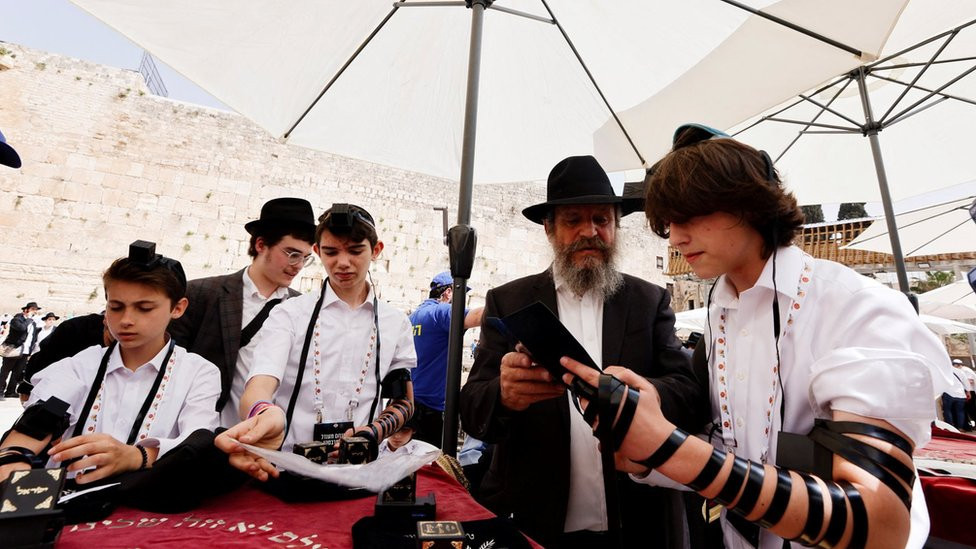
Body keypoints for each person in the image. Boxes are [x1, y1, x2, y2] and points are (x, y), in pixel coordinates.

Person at [560, 124, 956, 549]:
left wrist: (669, 448)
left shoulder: (860, 309)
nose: (675, 237)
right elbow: (734, 451)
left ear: (749, 204)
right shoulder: (721, 315)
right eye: (669, 223)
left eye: (690, 215)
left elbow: (879, 524)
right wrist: (644, 454)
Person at [459, 155, 703, 549]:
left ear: (615, 227)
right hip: (535, 520)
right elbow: (472, 409)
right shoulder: (509, 301)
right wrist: (503, 394)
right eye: (573, 220)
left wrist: (644, 397)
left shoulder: (648, 300)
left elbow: (688, 395)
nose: (589, 232)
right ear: (550, 229)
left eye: (601, 220)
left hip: (636, 520)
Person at [215, 203, 417, 481]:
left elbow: (403, 401)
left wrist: (373, 432)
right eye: (331, 252)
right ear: (317, 251)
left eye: (356, 251)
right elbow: (259, 383)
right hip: (288, 470)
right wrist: (263, 412)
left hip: (361, 473)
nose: (342, 262)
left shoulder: (396, 323)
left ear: (376, 250)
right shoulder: (289, 314)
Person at [0, 241, 221, 485]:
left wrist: (136, 456)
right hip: (70, 502)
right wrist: (14, 458)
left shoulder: (198, 373)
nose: (126, 320)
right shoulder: (80, 366)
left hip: (149, 507)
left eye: (144, 308)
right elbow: (36, 424)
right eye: (115, 307)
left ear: (178, 308)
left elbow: (197, 441)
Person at [170, 197, 317, 426]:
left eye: (305, 258)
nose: (298, 265)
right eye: (292, 254)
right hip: (205, 437)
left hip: (272, 442)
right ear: (260, 245)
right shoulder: (201, 294)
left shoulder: (305, 309)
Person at [409, 271, 483, 446]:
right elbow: (478, 317)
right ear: (449, 292)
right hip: (432, 410)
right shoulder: (441, 312)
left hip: (408, 404)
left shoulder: (412, 317)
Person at [17, 312, 114, 401]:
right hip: (62, 399)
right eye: (117, 308)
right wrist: (27, 387)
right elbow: (45, 356)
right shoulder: (76, 328)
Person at [0, 301, 41, 398]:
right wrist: (29, 319)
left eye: (35, 310)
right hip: (13, 349)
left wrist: (30, 351)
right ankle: (0, 389)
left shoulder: (33, 323)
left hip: (25, 351)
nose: (34, 312)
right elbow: (21, 328)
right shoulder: (17, 319)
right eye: (32, 309)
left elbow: (33, 337)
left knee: (17, 373)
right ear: (26, 310)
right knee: (5, 371)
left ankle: (10, 391)